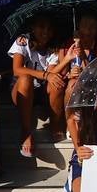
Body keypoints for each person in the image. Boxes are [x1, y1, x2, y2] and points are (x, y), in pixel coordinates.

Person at [10, 16, 66, 162]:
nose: (46, 32)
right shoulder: (23, 40)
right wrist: (46, 75)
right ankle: (26, 131)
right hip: (21, 90)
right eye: (41, 27)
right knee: (25, 78)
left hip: (41, 90)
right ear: (33, 28)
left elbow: (53, 73)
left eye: (49, 28)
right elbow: (17, 69)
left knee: (57, 82)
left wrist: (65, 60)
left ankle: (55, 122)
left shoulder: (54, 47)